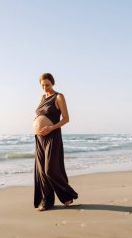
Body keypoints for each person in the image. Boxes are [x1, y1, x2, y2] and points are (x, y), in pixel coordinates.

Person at [33, 73, 78, 211]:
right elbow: (39, 114)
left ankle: (67, 195)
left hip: (52, 136)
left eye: (47, 85)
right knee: (41, 171)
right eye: (42, 85)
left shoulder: (59, 97)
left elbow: (66, 118)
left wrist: (51, 127)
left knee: (49, 170)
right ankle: (47, 202)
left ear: (52, 83)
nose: (45, 88)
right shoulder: (42, 97)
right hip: (40, 138)